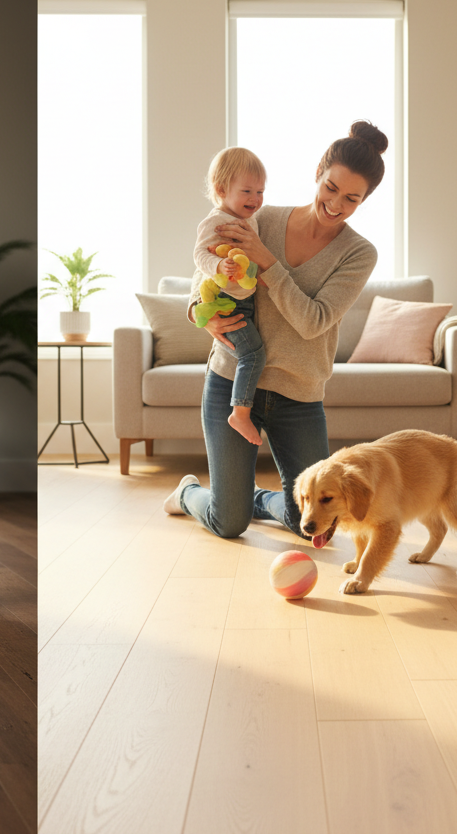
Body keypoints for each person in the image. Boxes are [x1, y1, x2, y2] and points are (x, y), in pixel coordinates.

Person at [164, 121, 386, 543]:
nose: (336, 204)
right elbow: (204, 273)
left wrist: (267, 262)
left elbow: (313, 321)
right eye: (331, 187)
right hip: (231, 380)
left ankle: (256, 498)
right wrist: (199, 312)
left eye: (352, 198)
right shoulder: (257, 217)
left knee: (314, 527)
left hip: (298, 395)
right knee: (228, 523)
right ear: (319, 173)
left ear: (364, 200)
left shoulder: (359, 253)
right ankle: (189, 492)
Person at [193, 146, 267, 445]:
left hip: (243, 299)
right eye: (247, 191)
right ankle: (240, 412)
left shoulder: (251, 220)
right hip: (228, 302)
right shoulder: (216, 221)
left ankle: (241, 411)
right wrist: (217, 265)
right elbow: (200, 253)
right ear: (221, 190)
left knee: (252, 352)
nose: (256, 199)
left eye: (261, 191)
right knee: (253, 354)